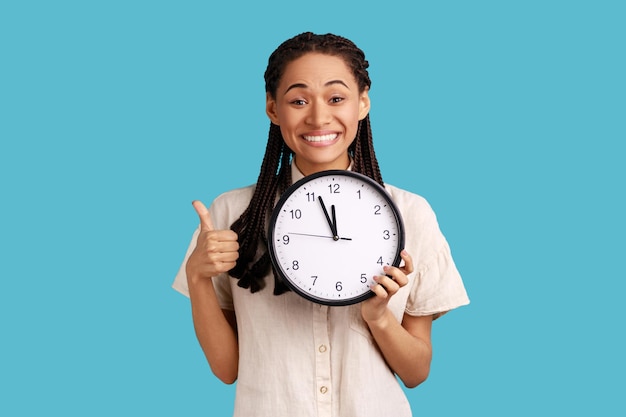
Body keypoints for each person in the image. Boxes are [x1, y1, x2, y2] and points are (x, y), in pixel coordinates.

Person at [173, 32, 469, 417]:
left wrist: (378, 316)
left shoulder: (410, 213)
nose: (317, 117)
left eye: (336, 98)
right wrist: (197, 276)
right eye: (298, 100)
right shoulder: (232, 215)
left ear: (363, 102)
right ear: (272, 109)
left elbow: (416, 372)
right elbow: (227, 369)